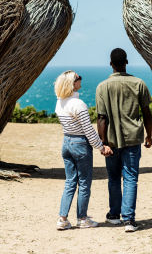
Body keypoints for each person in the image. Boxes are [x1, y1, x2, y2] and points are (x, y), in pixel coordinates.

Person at [96, 48, 152, 232]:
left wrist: (102, 143)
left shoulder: (102, 87)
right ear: (126, 62)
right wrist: (149, 135)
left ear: (111, 64)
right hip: (133, 138)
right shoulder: (139, 83)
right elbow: (147, 113)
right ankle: (129, 220)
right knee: (130, 178)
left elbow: (101, 118)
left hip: (111, 141)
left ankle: (114, 215)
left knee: (113, 178)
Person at [54, 70, 113, 230]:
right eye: (78, 78)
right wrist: (102, 147)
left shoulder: (60, 102)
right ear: (73, 84)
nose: (81, 80)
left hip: (66, 142)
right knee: (85, 182)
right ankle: (82, 218)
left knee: (70, 181)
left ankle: (62, 218)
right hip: (80, 144)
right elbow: (88, 131)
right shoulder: (79, 105)